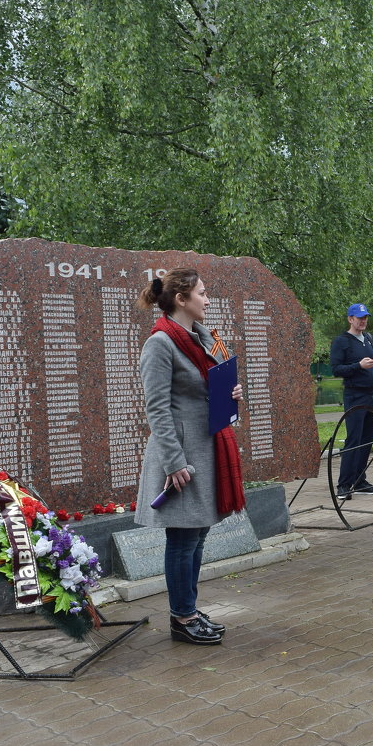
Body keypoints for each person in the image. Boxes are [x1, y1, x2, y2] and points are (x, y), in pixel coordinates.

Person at [134, 269, 245, 646]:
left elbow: (203, 394)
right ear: (181, 298)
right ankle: (182, 618)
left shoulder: (200, 340)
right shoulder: (161, 343)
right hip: (182, 457)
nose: (208, 299)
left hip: (205, 448)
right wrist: (174, 463)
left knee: (196, 537)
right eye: (202, 293)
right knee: (183, 541)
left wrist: (230, 397)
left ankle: (189, 610)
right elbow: (157, 408)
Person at [329, 303, 373, 500]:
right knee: (353, 440)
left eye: (365, 317)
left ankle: (359, 480)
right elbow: (336, 369)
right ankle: (344, 485)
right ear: (350, 319)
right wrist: (358, 365)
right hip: (355, 396)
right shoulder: (342, 341)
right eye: (359, 317)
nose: (363, 321)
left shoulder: (369, 339)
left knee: (367, 440)